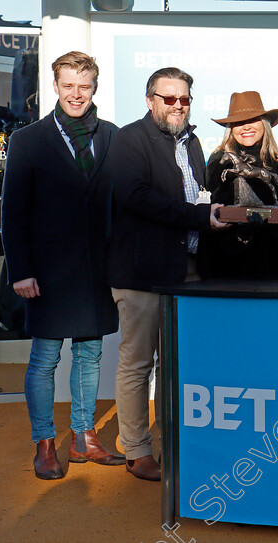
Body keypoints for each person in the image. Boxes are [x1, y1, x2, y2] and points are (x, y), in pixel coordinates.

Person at [1, 51, 124, 480]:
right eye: (68, 85)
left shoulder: (110, 136)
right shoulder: (29, 139)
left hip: (97, 269)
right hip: (47, 273)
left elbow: (120, 203)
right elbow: (13, 212)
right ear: (55, 87)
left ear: (94, 87)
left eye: (84, 86)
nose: (76, 94)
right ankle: (45, 443)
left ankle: (84, 439)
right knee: (45, 358)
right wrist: (21, 270)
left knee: (90, 355)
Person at [107, 66, 227, 481]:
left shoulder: (192, 143)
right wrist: (200, 216)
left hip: (188, 271)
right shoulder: (129, 139)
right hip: (143, 273)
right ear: (150, 100)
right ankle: (137, 450)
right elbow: (137, 198)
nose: (178, 105)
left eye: (184, 99)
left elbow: (199, 195)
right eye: (169, 98)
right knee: (138, 363)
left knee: (179, 365)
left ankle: (173, 442)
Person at [205, 91, 278, 277]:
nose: (246, 127)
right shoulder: (218, 162)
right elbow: (214, 219)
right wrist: (242, 234)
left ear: (264, 123)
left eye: (252, 120)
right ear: (231, 127)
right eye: (238, 122)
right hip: (231, 267)